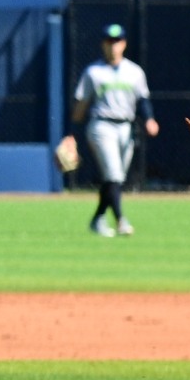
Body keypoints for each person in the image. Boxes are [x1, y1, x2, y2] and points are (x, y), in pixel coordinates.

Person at [67, 24, 158, 237]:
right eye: (109, 41)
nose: (113, 45)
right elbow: (81, 104)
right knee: (114, 173)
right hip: (101, 125)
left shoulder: (135, 72)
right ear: (103, 44)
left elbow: (143, 100)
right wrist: (72, 133)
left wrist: (149, 119)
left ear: (124, 44)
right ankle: (121, 221)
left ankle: (97, 218)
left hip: (126, 127)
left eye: (117, 41)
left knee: (114, 179)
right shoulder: (93, 72)